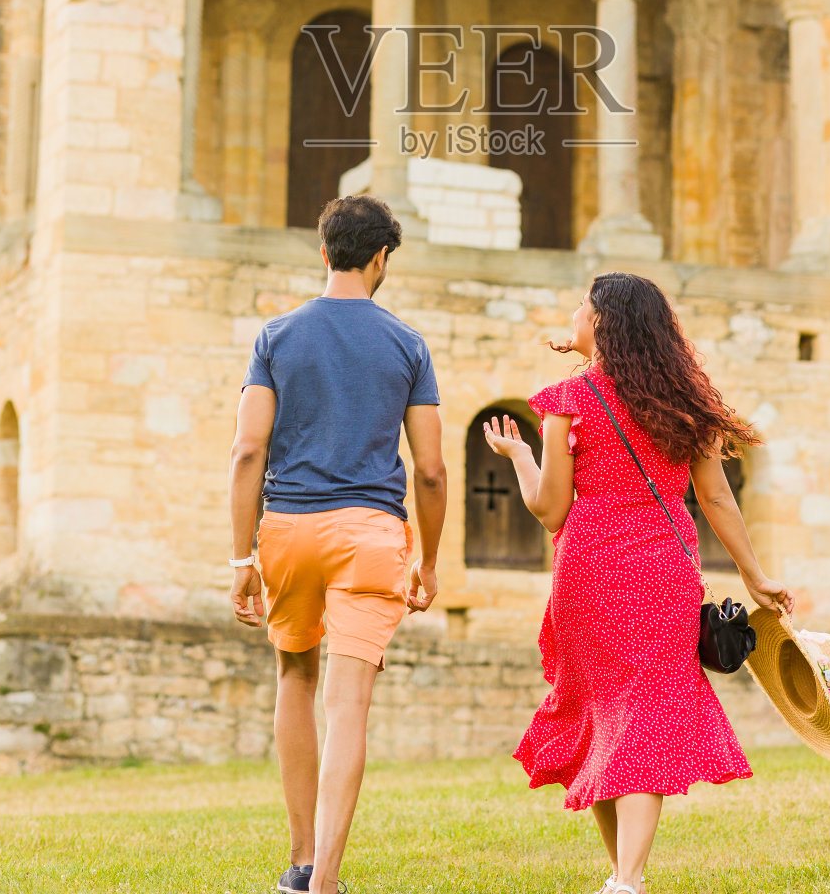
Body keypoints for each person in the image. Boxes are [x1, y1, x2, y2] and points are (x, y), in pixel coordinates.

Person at [485, 272, 793, 894]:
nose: (572, 314)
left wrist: (522, 458)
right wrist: (754, 574)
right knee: (641, 713)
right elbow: (715, 497)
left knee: (604, 715)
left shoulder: (566, 400)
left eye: (581, 305)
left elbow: (550, 511)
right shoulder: (683, 400)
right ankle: (626, 880)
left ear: (601, 322)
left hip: (589, 570)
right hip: (664, 571)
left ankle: (627, 880)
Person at [228, 194, 447, 894]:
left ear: (324, 253)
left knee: (295, 677)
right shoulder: (407, 344)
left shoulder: (276, 337)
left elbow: (245, 452)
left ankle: (298, 860)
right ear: (382, 258)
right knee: (348, 704)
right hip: (370, 537)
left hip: (287, 530)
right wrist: (431, 561)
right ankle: (324, 882)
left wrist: (242, 561)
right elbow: (433, 470)